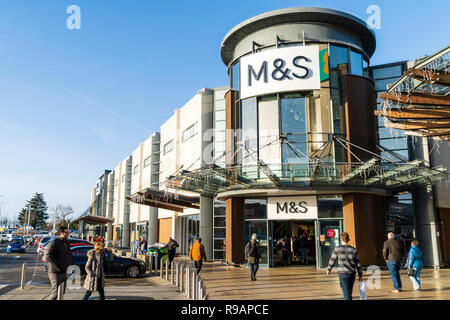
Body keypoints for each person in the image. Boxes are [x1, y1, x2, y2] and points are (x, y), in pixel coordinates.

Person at [327, 232, 363, 300]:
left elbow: (332, 259)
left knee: (346, 294)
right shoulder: (353, 249)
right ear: (348, 239)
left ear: (341, 239)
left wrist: (329, 269)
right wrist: (360, 275)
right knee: (349, 292)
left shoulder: (337, 249)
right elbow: (358, 264)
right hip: (352, 274)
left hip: (343, 274)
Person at [44, 226, 72, 300]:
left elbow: (68, 255)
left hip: (64, 271)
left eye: (68, 232)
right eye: (66, 232)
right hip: (55, 272)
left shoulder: (67, 242)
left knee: (62, 292)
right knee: (55, 293)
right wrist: (57, 265)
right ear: (60, 233)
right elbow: (48, 256)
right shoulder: (54, 242)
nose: (68, 234)